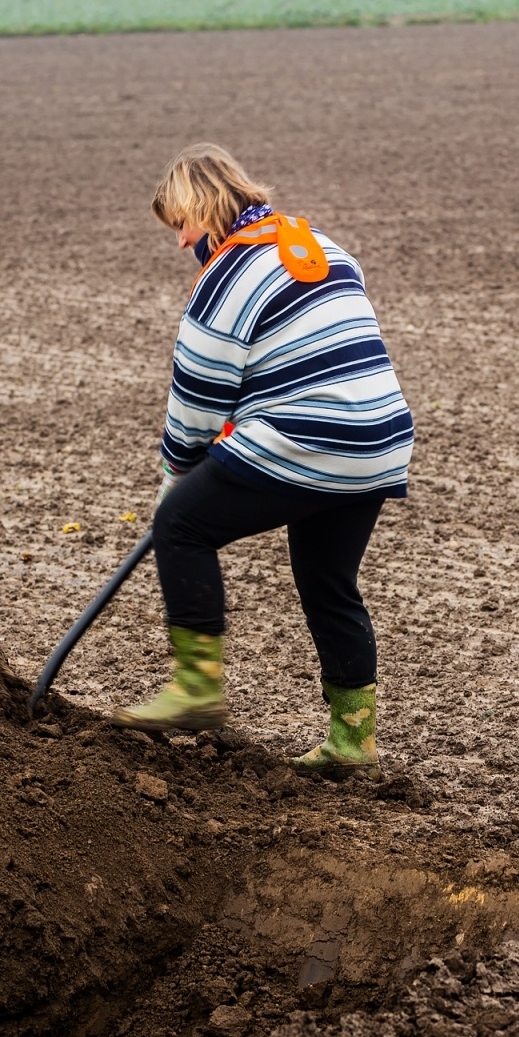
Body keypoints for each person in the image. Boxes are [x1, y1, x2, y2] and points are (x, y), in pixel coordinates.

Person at [111, 143, 414, 781]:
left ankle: (195, 690)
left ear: (201, 208)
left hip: (305, 438)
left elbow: (195, 397)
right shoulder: (322, 247)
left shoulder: (225, 276)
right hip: (378, 440)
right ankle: (352, 740)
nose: (179, 242)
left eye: (180, 226)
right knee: (329, 581)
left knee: (183, 528)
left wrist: (175, 482)